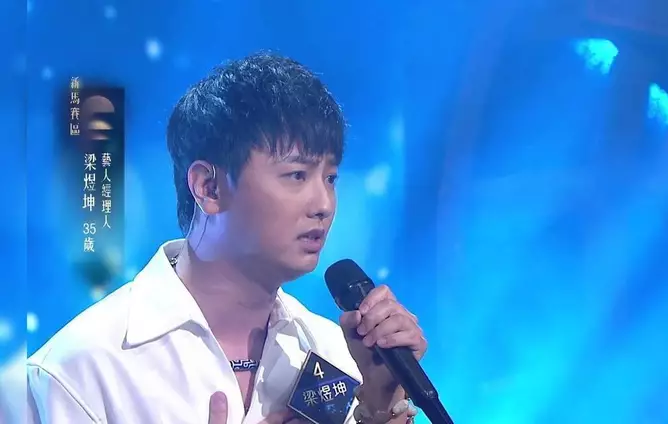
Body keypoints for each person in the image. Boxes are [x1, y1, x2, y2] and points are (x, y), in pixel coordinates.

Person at [27, 52, 427, 424]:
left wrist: (380, 402)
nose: (324, 204)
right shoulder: (80, 369)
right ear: (209, 187)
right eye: (297, 175)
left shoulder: (335, 353)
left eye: (331, 178)